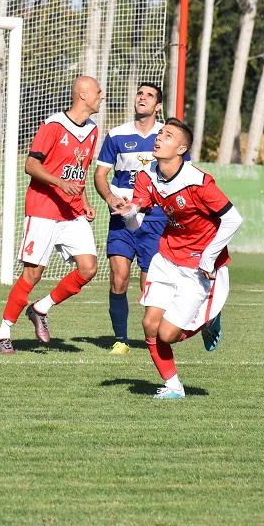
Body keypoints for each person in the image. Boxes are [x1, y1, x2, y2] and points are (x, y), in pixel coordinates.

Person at [115, 118, 241, 399]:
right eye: (160, 133)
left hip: (199, 268)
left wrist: (208, 258)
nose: (159, 138)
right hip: (167, 258)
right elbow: (135, 224)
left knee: (167, 334)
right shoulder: (146, 175)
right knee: (150, 325)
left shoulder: (198, 182)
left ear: (182, 148)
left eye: (168, 135)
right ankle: (174, 387)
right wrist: (129, 213)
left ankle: (208, 320)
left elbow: (233, 219)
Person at [0, 75, 104, 355]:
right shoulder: (54, 125)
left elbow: (80, 171)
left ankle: (41, 308)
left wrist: (85, 201)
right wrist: (59, 183)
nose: (102, 96)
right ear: (83, 95)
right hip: (43, 208)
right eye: (98, 92)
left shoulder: (92, 130)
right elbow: (31, 165)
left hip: (72, 211)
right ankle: (2, 334)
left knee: (89, 268)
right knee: (33, 274)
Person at [94, 82, 166, 355]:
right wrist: (111, 199)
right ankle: (121, 340)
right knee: (119, 278)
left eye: (149, 95)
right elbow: (100, 175)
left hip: (154, 220)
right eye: (139, 94)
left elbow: (180, 176)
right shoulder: (117, 135)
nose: (142, 98)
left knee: (150, 286)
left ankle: (153, 340)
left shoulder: (167, 135)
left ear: (158, 105)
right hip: (121, 220)